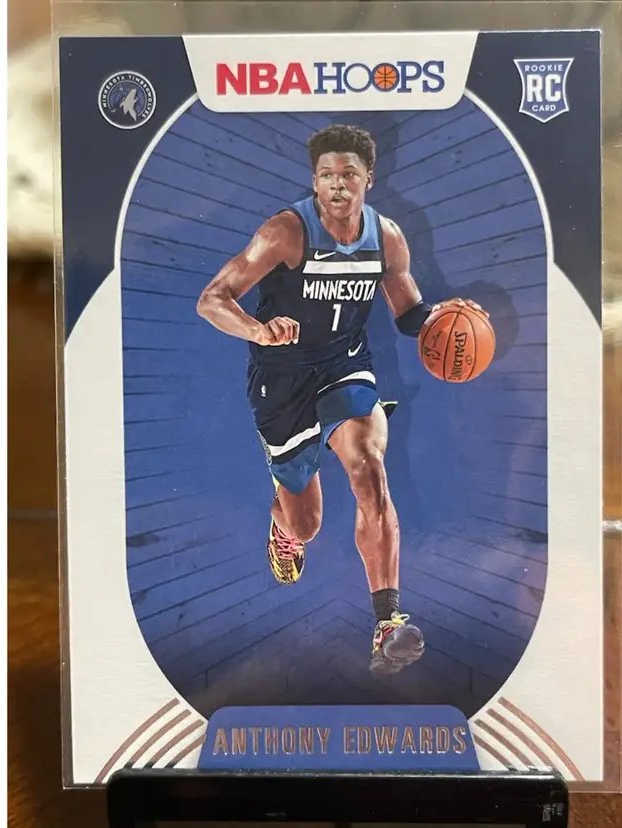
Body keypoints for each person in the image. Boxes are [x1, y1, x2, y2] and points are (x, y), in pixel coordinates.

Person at [196, 124, 481, 675]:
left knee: (368, 464)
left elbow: (410, 314)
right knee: (307, 524)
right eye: (326, 174)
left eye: (348, 173)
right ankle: (284, 525)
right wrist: (257, 330)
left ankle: (387, 623)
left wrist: (450, 318)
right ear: (314, 181)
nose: (337, 184)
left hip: (344, 367)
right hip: (281, 379)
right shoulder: (286, 232)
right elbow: (213, 299)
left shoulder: (386, 238)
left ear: (368, 178)